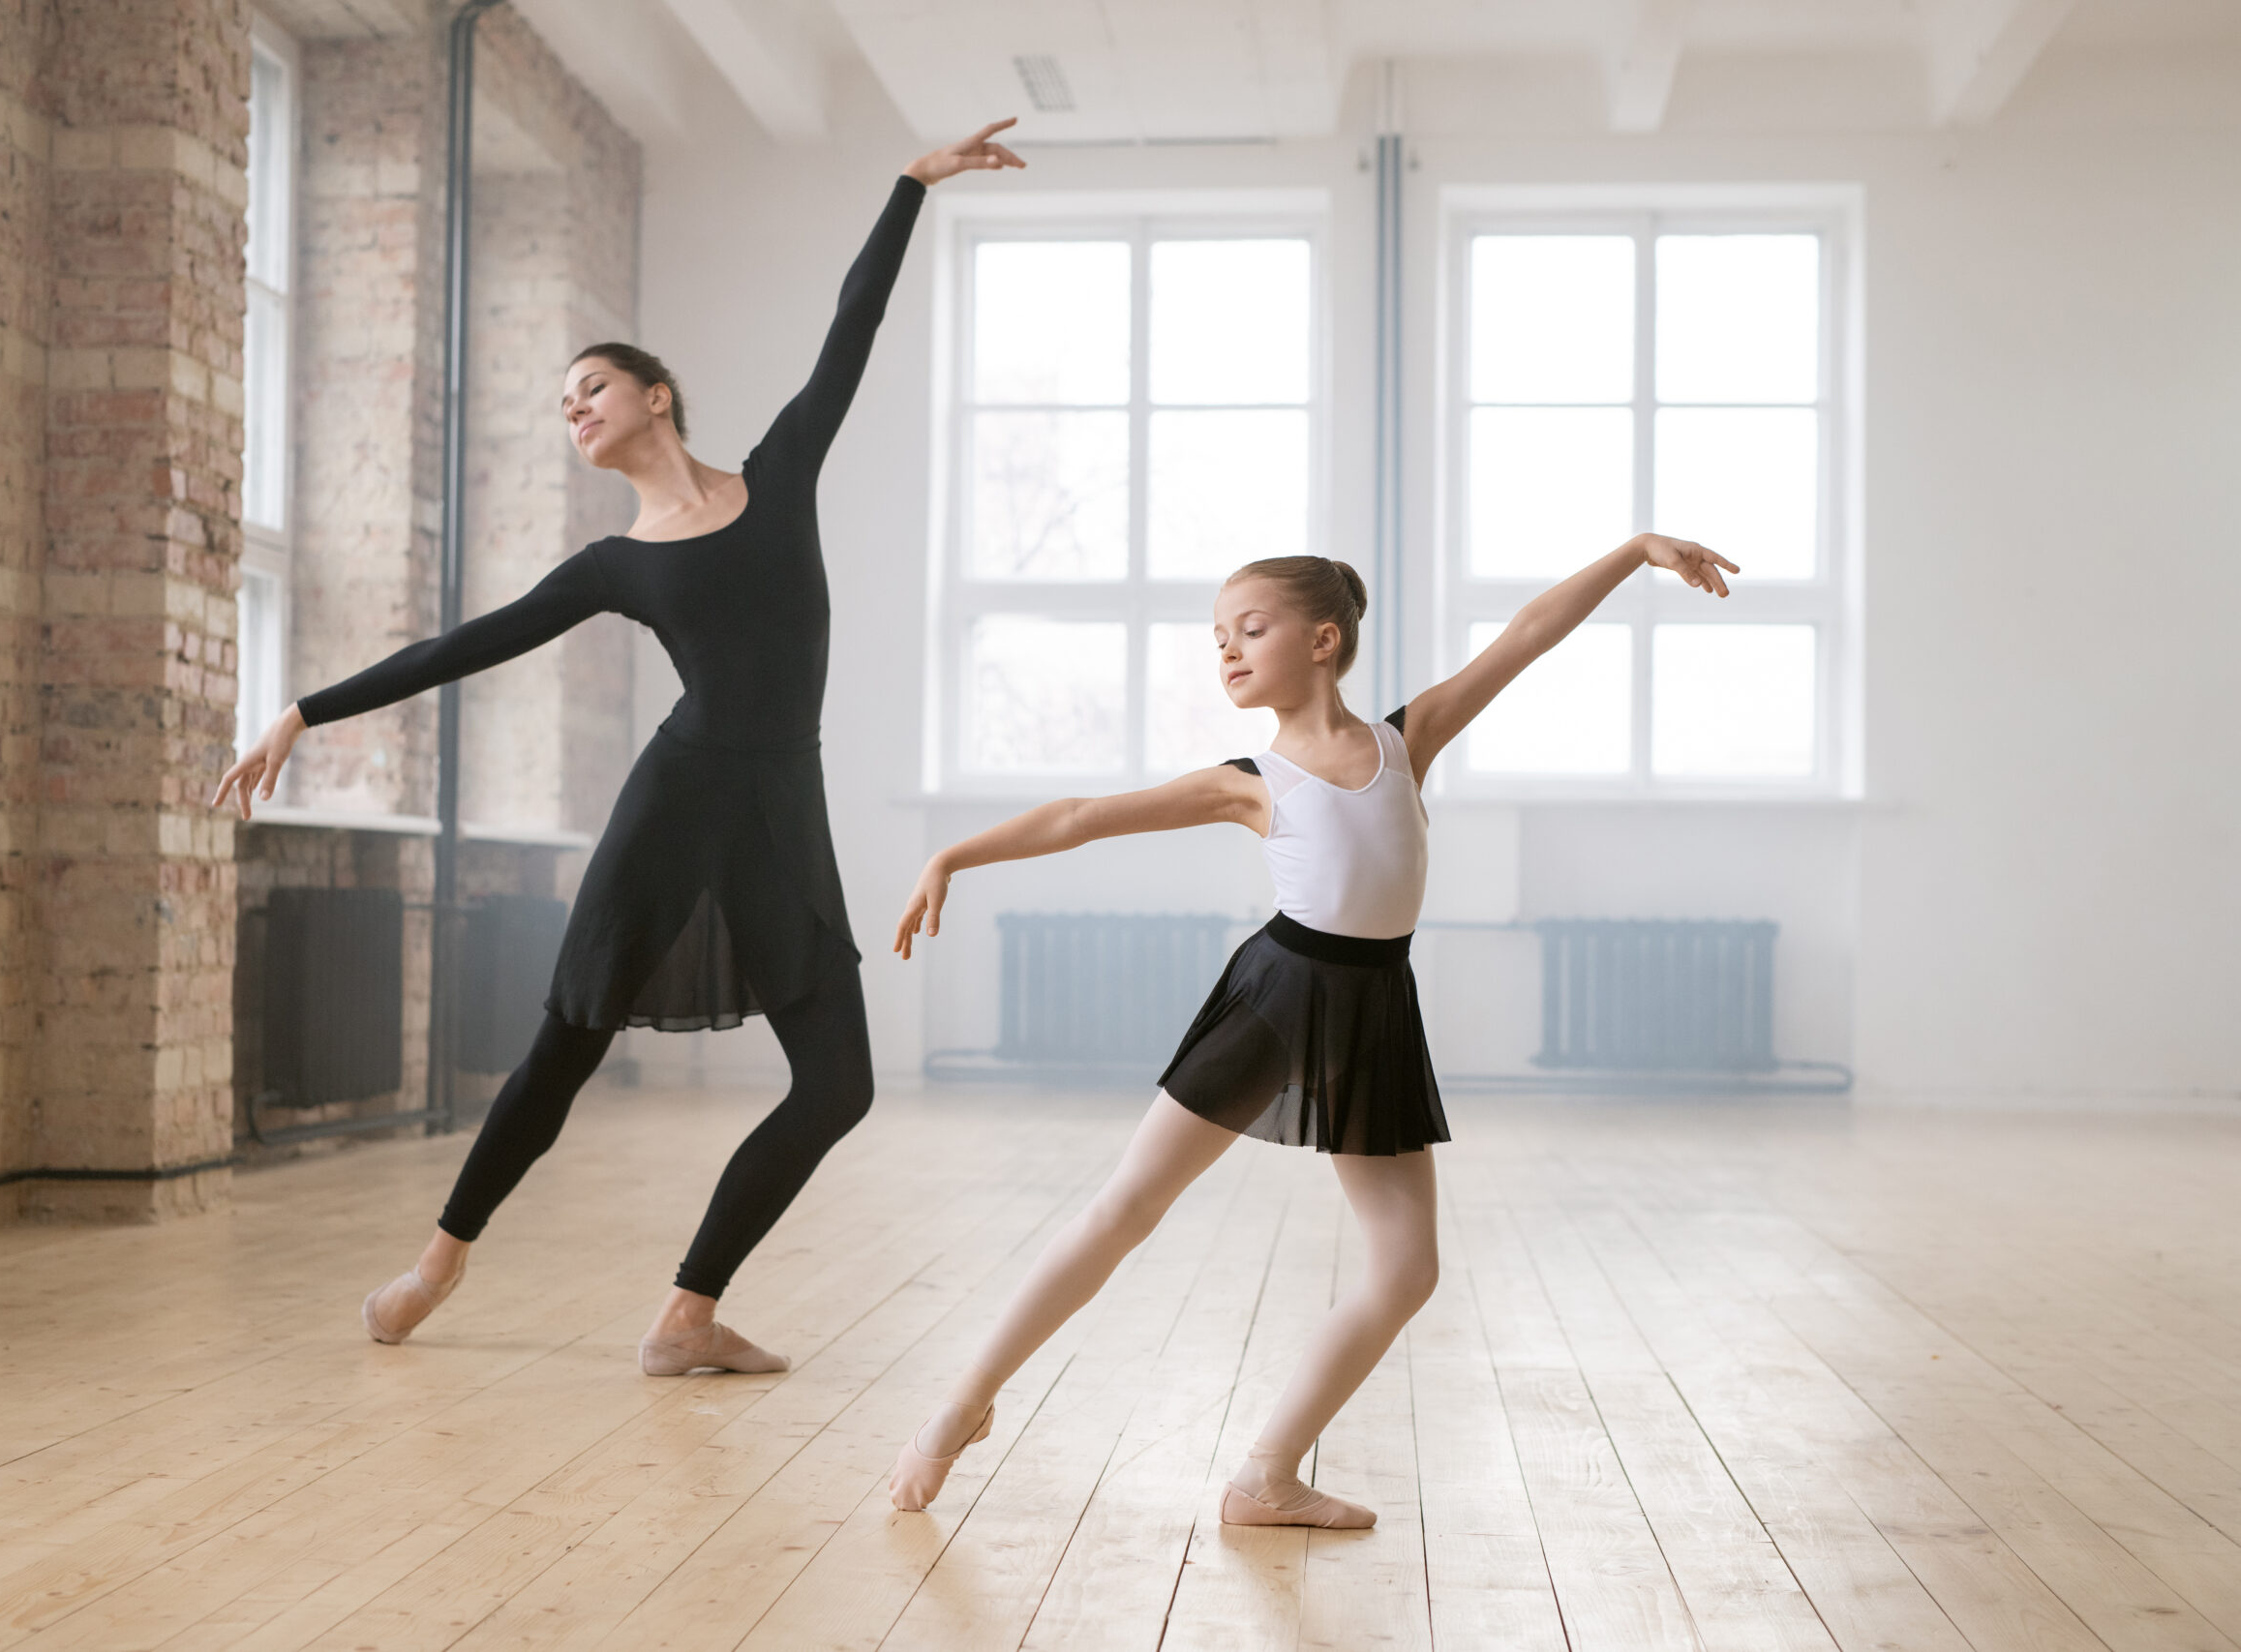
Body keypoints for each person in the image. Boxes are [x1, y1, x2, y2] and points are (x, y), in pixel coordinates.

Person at [213, 120, 1028, 1375]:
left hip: (781, 809)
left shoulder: (782, 472)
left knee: (840, 1082)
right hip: (677, 801)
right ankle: (437, 1259)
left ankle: (686, 1312)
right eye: (560, 405)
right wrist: (303, 710)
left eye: (590, 385)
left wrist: (910, 187)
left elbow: (848, 333)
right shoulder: (614, 564)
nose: (574, 409)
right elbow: (467, 644)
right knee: (567, 1041)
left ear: (656, 393)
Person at [886, 534, 1738, 1524]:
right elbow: (1081, 815)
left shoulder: (1402, 741)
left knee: (1407, 1268)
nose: (1228, 652)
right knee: (1124, 1210)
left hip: (1374, 1007)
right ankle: (959, 1408)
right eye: (1218, 639)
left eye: (1250, 629)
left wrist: (1633, 554)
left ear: (1324, 639)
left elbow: (1524, 638)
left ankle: (1266, 1476)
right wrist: (954, 854)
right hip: (1277, 997)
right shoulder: (1248, 780)